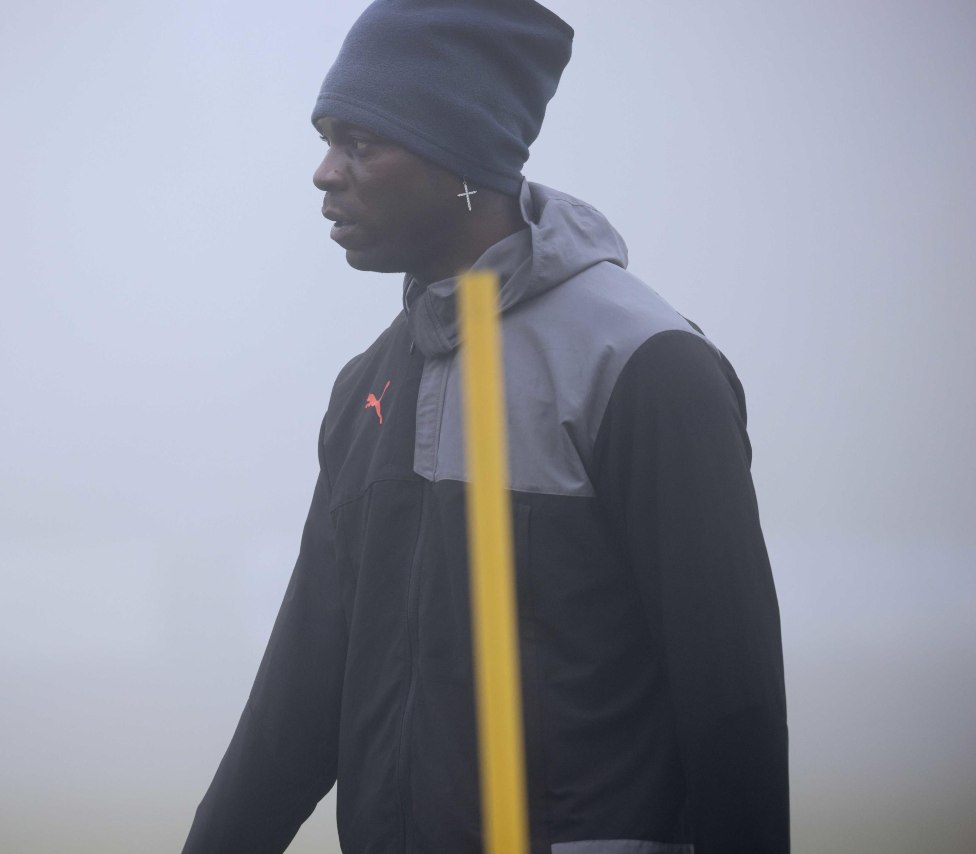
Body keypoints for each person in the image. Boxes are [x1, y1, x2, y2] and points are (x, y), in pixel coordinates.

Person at [183, 1, 789, 851]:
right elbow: (295, 704)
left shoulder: (647, 368)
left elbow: (734, 713)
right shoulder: (365, 389)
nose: (325, 173)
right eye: (326, 139)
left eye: (361, 142)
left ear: (462, 161)